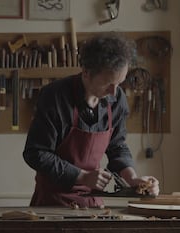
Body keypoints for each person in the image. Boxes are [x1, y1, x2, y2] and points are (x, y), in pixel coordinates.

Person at [23, 33, 159, 208]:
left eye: (120, 83)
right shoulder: (55, 97)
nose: (114, 92)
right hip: (52, 203)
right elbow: (36, 153)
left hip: (91, 203)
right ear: (86, 72)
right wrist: (81, 176)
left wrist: (132, 178)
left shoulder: (117, 99)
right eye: (108, 83)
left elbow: (117, 146)